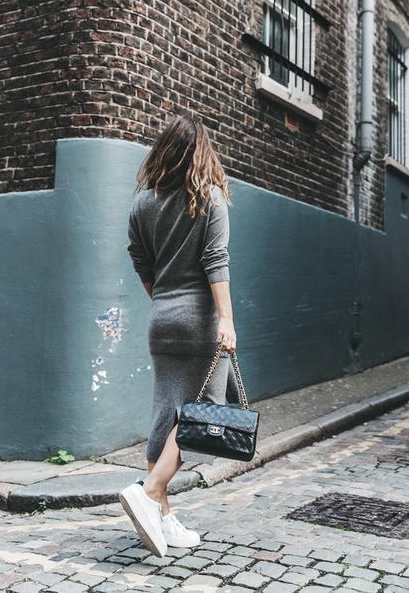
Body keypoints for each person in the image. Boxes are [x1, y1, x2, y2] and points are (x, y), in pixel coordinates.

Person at [119, 112, 237, 558]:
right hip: (201, 322)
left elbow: (141, 265)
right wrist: (225, 319)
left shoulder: (141, 204)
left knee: (167, 411)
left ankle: (163, 519)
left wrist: (164, 300)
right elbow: (216, 261)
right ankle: (150, 492)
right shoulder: (209, 198)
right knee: (204, 411)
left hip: (162, 317)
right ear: (201, 151)